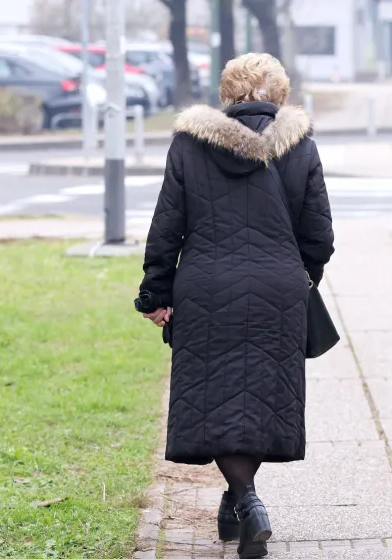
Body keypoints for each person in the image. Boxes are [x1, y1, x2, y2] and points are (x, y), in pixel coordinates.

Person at [137, 53, 334, 559]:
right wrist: (300, 275)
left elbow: (167, 227)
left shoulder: (189, 143)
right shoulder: (301, 144)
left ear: (228, 92)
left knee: (219, 395)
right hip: (278, 288)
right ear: (279, 94)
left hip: (206, 288)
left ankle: (243, 499)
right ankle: (241, 499)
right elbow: (319, 234)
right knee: (263, 396)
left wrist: (156, 293)